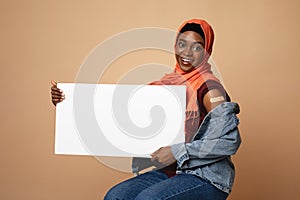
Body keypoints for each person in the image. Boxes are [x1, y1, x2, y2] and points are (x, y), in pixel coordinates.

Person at [51, 19, 241, 200]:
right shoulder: (166, 87)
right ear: (175, 45)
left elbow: (228, 141)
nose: (187, 52)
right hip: (169, 172)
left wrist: (177, 152)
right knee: (115, 196)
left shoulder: (210, 90)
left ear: (206, 51)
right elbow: (116, 114)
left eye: (197, 47)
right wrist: (67, 103)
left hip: (205, 177)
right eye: (182, 44)